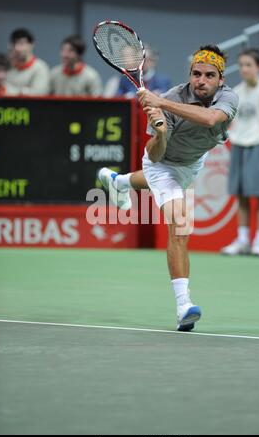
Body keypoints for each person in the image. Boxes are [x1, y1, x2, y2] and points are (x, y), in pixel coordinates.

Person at [98, 44, 239, 332]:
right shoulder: (173, 96)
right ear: (189, 75)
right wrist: (161, 133)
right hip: (161, 164)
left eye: (209, 75)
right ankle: (183, 305)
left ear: (220, 79)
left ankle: (118, 182)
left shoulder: (228, 97)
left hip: (193, 162)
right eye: (196, 74)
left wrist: (160, 104)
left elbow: (211, 119)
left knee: (155, 186)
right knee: (180, 223)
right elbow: (156, 155)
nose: (201, 80)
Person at [221, 48, 259, 258]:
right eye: (242, 65)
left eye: (249, 65)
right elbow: (233, 122)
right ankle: (243, 240)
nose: (244, 69)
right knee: (242, 196)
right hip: (239, 146)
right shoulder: (236, 91)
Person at [105, 44, 171, 98]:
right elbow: (118, 98)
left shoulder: (163, 80)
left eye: (145, 60)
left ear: (152, 62)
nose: (142, 63)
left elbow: (166, 100)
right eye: (139, 59)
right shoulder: (125, 79)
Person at [6, 28, 50, 95]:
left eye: (21, 43)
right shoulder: (6, 66)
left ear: (31, 45)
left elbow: (39, 93)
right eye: (14, 44)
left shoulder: (40, 67)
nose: (17, 48)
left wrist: (12, 91)